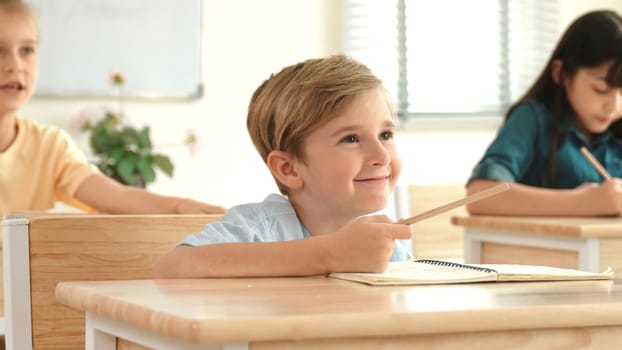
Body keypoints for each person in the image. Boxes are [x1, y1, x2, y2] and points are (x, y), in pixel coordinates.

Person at [153, 55, 413, 278]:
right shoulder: (260, 227)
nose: (382, 156)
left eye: (386, 135)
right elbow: (172, 268)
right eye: (351, 139)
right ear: (289, 169)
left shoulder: (383, 246)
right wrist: (330, 253)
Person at [0, 0, 226, 218]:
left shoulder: (49, 146)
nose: (16, 66)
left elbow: (114, 195)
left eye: (27, 50)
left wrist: (180, 207)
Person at [466, 10, 622, 217]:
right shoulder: (533, 119)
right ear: (561, 73)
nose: (614, 105)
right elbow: (480, 195)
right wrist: (583, 202)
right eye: (601, 90)